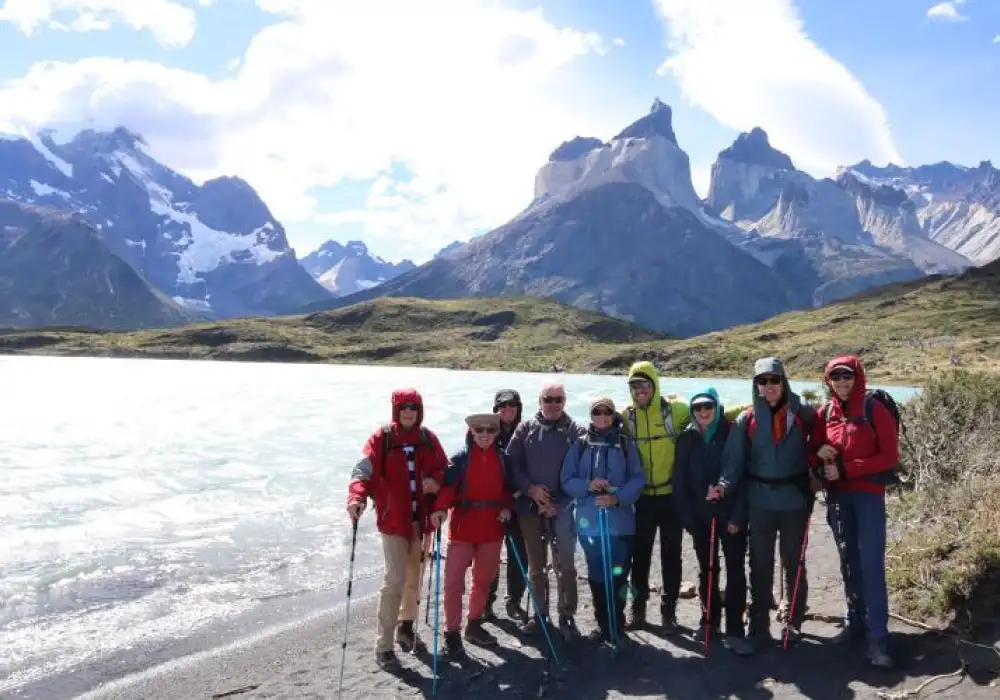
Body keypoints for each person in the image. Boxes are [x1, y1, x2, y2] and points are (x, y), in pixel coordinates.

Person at [708, 357, 820, 652]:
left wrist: (820, 474)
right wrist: (723, 486)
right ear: (755, 385)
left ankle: (792, 620)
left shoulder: (804, 415)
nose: (769, 386)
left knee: (794, 562)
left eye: (774, 380)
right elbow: (733, 463)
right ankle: (758, 624)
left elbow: (820, 444)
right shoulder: (748, 420)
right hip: (759, 502)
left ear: (784, 382)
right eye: (763, 381)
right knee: (759, 564)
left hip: (795, 500)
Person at [346, 389, 449, 669]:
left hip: (422, 522)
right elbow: (362, 472)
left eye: (413, 407)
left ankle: (406, 625)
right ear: (395, 409)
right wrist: (356, 498)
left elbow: (445, 470)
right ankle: (384, 645)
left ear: (419, 410)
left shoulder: (428, 439)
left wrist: (437, 484)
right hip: (393, 523)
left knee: (414, 578)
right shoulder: (382, 438)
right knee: (394, 580)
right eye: (403, 407)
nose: (408, 412)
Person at [812, 356, 898, 669]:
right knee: (849, 562)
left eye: (848, 376)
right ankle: (855, 623)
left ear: (858, 376)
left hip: (868, 498)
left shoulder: (875, 409)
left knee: (871, 565)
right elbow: (813, 447)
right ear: (829, 380)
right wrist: (818, 451)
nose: (843, 382)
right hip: (838, 499)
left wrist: (847, 469)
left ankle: (878, 638)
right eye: (836, 377)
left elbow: (889, 456)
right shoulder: (826, 413)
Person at [674, 388, 753, 656]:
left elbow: (742, 476)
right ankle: (709, 621)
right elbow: (680, 483)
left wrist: (738, 517)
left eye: (708, 406)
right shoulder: (686, 438)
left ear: (717, 407)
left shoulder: (732, 432)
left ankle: (734, 628)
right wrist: (688, 519)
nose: (703, 412)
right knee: (707, 570)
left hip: (730, 516)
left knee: (735, 571)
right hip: (700, 517)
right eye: (698, 408)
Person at [560, 397, 645, 645]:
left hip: (620, 523)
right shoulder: (580, 445)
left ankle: (617, 624)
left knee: (618, 574)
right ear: (591, 415)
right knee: (597, 574)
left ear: (613, 414)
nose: (603, 416)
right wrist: (588, 485)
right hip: (590, 523)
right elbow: (566, 480)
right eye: (598, 412)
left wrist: (616, 497)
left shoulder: (625, 444)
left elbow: (637, 480)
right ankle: (603, 624)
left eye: (608, 412)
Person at [430, 412, 515, 658]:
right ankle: (452, 634)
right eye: (480, 430)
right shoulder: (460, 459)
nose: (485, 435)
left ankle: (474, 625)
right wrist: (439, 510)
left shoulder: (503, 460)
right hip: (461, 531)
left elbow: (509, 492)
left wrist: (507, 508)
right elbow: (447, 490)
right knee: (453, 584)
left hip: (492, 530)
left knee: (483, 582)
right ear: (472, 432)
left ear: (497, 433)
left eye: (490, 430)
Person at [507, 383, 587, 639]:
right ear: (539, 400)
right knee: (536, 564)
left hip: (562, 507)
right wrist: (530, 489)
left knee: (565, 563)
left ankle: (567, 614)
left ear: (565, 401)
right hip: (530, 507)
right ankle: (540, 614)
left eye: (558, 399)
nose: (553, 404)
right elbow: (511, 465)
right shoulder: (525, 429)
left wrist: (559, 503)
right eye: (548, 399)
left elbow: (582, 471)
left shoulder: (575, 431)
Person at [620, 361, 689, 630]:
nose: (640, 390)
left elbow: (713, 412)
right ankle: (637, 612)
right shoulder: (626, 417)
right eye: (634, 385)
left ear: (654, 384)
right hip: (643, 499)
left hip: (672, 497)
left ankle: (668, 612)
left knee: (672, 555)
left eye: (644, 384)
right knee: (640, 557)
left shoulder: (676, 410)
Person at [485, 389, 528, 623]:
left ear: (519, 408)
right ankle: (486, 602)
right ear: (496, 409)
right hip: (492, 503)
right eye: (502, 406)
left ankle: (514, 601)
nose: (507, 410)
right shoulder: (485, 432)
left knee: (518, 554)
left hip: (519, 501)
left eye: (512, 405)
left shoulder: (528, 431)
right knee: (490, 555)